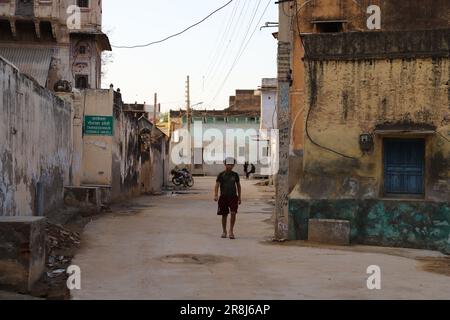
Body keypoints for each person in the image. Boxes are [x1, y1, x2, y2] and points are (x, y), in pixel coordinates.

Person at [214, 157, 242, 240]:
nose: (229, 166)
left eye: (231, 164)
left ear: (233, 165)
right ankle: (224, 231)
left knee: (233, 213)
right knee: (224, 215)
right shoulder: (221, 175)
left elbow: (238, 186)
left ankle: (231, 231)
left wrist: (239, 197)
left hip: (233, 197)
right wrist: (215, 195)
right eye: (228, 164)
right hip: (223, 197)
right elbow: (217, 185)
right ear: (225, 164)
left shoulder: (235, 175)